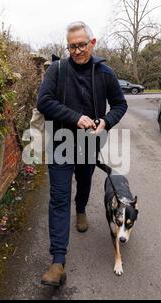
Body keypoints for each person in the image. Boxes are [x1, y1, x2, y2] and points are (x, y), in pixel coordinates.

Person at [37, 21, 128, 287]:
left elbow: (120, 104)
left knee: (85, 181)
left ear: (92, 43)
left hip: (89, 144)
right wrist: (76, 117)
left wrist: (106, 122)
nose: (77, 51)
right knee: (58, 197)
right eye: (72, 46)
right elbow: (44, 102)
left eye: (82, 45)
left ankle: (81, 209)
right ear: (67, 46)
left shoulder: (105, 72)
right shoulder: (57, 70)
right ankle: (57, 262)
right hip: (61, 142)